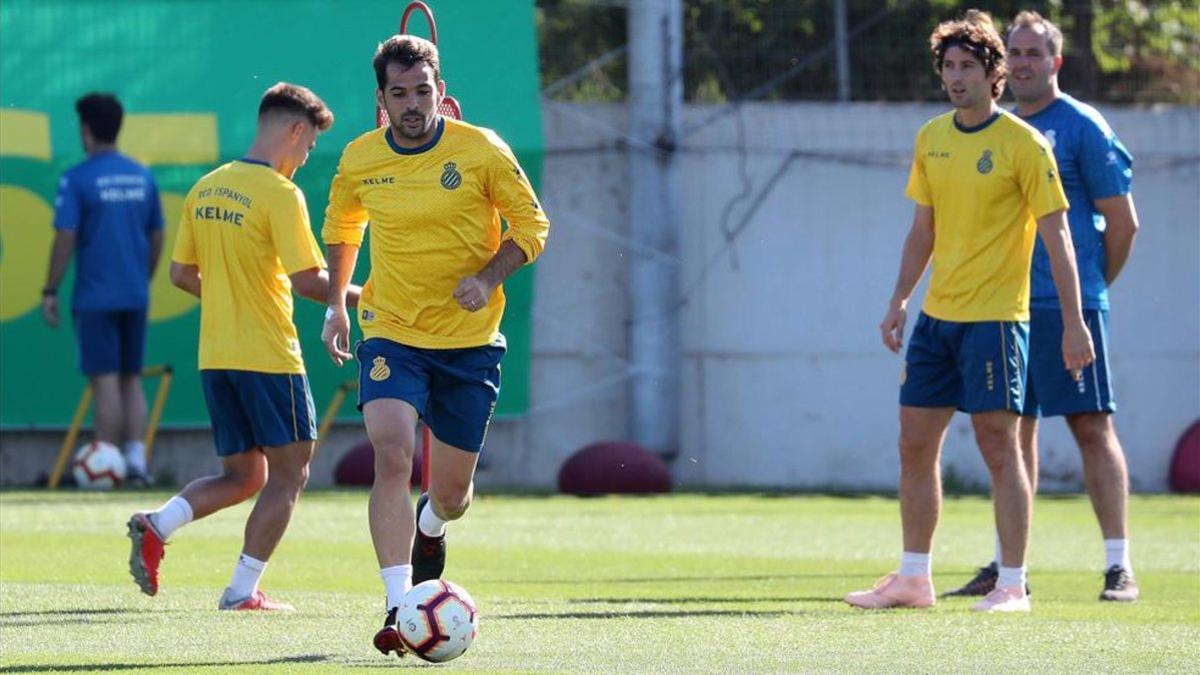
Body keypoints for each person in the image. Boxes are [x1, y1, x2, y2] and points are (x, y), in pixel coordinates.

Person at [844, 9, 1094, 614]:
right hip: (938, 320)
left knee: (998, 447)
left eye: (968, 67)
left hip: (998, 321)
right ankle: (913, 578)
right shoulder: (931, 138)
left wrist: (1075, 322)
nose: (956, 78)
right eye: (949, 67)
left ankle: (1012, 583)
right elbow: (921, 232)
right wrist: (899, 299)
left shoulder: (1024, 145)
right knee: (913, 445)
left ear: (994, 72)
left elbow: (1058, 238)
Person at [320, 35, 549, 656]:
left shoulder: (481, 150)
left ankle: (431, 524)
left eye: (424, 91)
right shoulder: (361, 157)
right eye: (401, 94)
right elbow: (343, 226)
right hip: (391, 329)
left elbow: (533, 227)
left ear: (439, 91)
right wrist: (339, 302)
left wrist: (487, 277)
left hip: (471, 343)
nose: (414, 104)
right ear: (382, 99)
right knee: (391, 454)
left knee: (452, 495)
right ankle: (399, 606)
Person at [126, 82, 358, 610]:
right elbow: (309, 282)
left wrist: (233, 293)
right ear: (296, 130)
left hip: (217, 358)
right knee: (291, 473)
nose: (304, 158)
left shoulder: (205, 186)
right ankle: (241, 591)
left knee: (244, 475)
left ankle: (158, 524)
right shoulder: (280, 193)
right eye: (308, 146)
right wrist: (370, 295)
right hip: (269, 356)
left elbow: (182, 274)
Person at [943, 11, 1141, 603]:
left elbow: (1124, 223)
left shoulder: (1080, 126)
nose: (1024, 62)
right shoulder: (991, 130)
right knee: (1011, 434)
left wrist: (1087, 296)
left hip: (1065, 307)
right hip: (1004, 307)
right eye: (1016, 53)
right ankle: (1011, 569)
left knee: (1090, 425)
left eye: (1034, 53)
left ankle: (1118, 566)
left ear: (1055, 62)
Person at [43, 93, 164, 485]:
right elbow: (157, 234)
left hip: (95, 296)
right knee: (132, 377)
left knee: (105, 379)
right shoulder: (141, 175)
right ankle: (136, 462)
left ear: (86, 130)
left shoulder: (77, 177)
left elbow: (65, 235)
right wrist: (142, 276)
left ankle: (106, 462)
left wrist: (50, 289)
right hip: (135, 292)